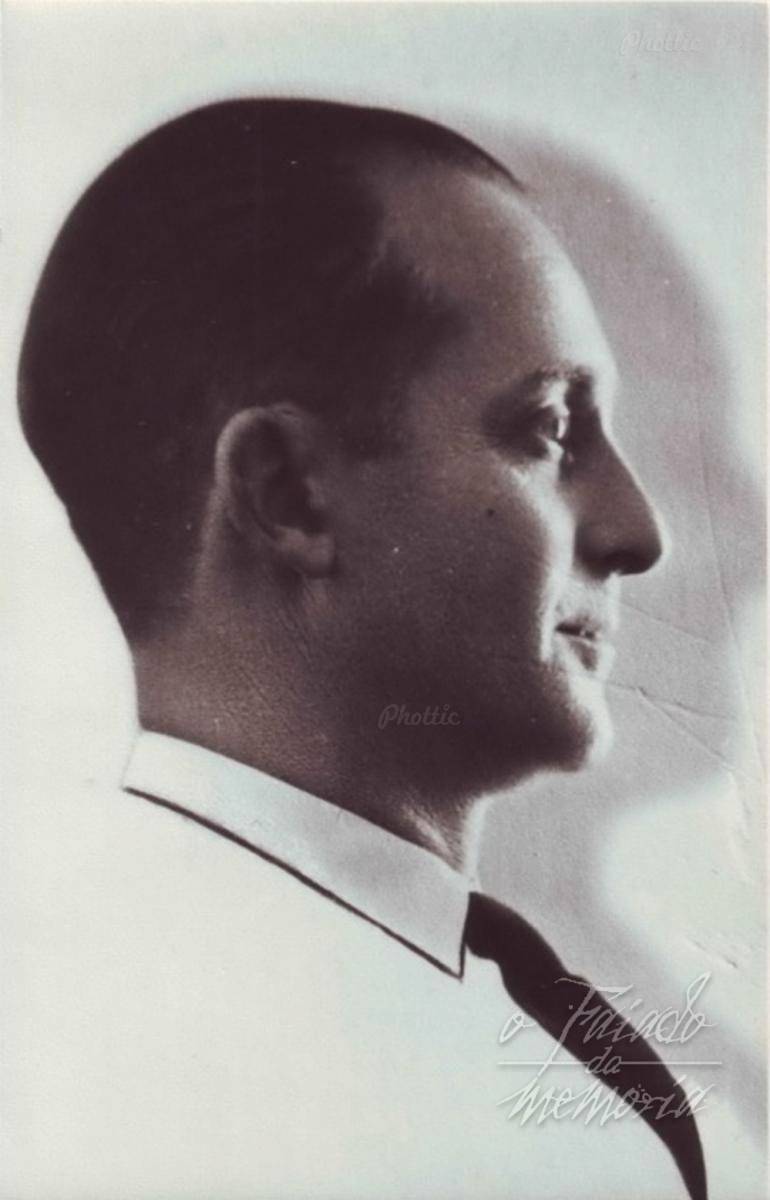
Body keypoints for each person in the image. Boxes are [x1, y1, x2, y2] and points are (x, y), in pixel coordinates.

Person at [15, 99, 707, 1199]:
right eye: (549, 431)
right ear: (289, 494)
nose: (637, 532)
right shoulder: (130, 1074)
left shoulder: (505, 1026)